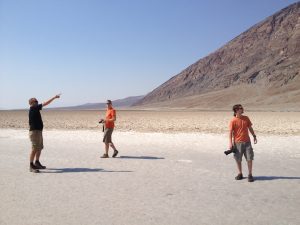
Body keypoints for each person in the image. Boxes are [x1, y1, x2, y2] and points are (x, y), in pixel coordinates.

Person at [28, 94, 60, 173]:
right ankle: (31, 165)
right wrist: (54, 97)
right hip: (34, 132)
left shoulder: (35, 109)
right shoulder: (33, 108)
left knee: (39, 147)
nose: (37, 102)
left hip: (38, 131)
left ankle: (37, 162)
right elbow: (45, 103)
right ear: (32, 103)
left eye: (37, 101)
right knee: (34, 148)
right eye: (36, 101)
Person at [229, 104, 257, 182]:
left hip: (247, 142)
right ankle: (240, 173)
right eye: (240, 108)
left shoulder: (246, 118)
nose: (242, 109)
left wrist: (254, 135)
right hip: (238, 143)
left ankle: (250, 174)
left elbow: (250, 127)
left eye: (242, 108)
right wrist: (230, 143)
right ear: (236, 110)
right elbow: (230, 132)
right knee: (238, 159)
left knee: (249, 158)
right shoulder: (233, 120)